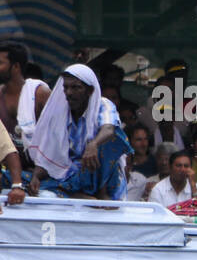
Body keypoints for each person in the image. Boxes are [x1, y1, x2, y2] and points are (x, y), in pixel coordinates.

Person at [29, 64, 130, 200]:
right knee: (15, 178)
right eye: (66, 87)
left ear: (90, 90)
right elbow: (50, 156)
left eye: (76, 87)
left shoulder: (103, 104)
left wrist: (93, 144)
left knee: (113, 138)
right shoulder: (60, 115)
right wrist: (36, 177)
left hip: (104, 177)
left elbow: (109, 128)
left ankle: (101, 192)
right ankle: (76, 194)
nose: (69, 93)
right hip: (72, 175)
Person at [0, 41, 49, 147]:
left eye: (0, 63)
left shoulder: (39, 94)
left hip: (38, 160)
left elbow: (55, 133)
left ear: (16, 66)